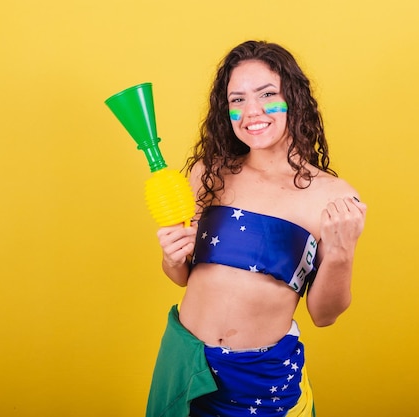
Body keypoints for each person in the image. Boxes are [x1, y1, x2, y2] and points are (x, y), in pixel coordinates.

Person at [145, 40, 367, 417]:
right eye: (237, 99)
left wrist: (342, 254)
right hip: (185, 362)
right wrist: (172, 256)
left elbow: (324, 315)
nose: (252, 111)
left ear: (293, 99)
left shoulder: (332, 197)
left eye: (267, 94)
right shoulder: (208, 172)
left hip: (259, 381)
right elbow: (182, 276)